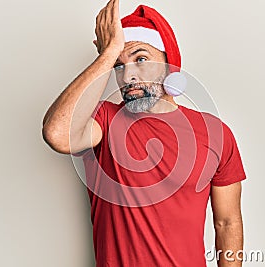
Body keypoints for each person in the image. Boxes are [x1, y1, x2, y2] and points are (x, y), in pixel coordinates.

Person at [42, 0, 247, 266]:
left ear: (168, 63)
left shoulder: (216, 133)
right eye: (118, 65)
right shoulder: (102, 120)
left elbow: (227, 222)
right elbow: (56, 133)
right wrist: (107, 54)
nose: (128, 76)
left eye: (141, 59)